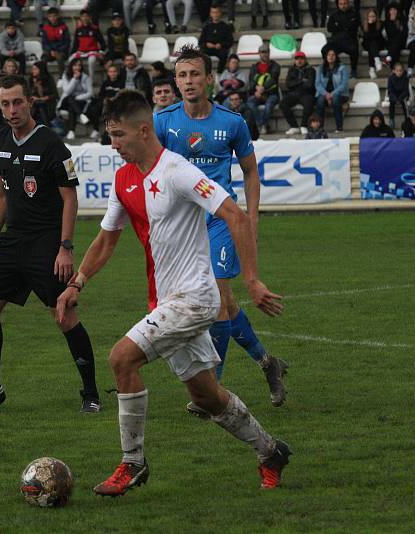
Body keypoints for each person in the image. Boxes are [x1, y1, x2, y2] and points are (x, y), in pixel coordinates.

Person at [57, 89, 290, 496]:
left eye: (118, 135)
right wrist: (77, 282)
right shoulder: (124, 178)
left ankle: (133, 464)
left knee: (120, 359)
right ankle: (271, 452)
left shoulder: (177, 171)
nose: (113, 145)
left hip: (196, 299)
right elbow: (107, 239)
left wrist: (251, 279)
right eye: (109, 135)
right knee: (207, 396)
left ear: (144, 131)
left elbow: (233, 214)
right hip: (166, 301)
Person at [0, 74, 102, 414]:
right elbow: (3, 195)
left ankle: (91, 393)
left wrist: (65, 247)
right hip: (13, 244)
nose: (11, 109)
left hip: (46, 246)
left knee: (64, 316)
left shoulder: (51, 144)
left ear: (30, 102)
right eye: (4, 103)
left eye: (17, 102)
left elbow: (70, 199)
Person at [154, 47, 288, 408]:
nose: (188, 82)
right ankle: (268, 363)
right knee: (226, 305)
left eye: (195, 74)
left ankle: (211, 391)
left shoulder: (232, 122)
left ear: (209, 78)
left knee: (216, 302)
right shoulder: (164, 122)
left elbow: (250, 172)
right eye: (182, 76)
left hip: (221, 219)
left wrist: (252, 219)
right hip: (183, 228)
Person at [246, 44, 280, 134]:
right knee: (250, 102)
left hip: (271, 94)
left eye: (266, 52)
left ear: (269, 53)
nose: (264, 54)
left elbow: (273, 79)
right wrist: (256, 89)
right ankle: (262, 124)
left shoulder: (275, 66)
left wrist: (263, 88)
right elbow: (251, 80)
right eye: (262, 52)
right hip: (258, 94)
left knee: (269, 105)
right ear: (259, 53)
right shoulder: (254, 67)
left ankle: (262, 125)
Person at [280, 51, 316, 136]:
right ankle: (294, 126)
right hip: (294, 94)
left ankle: (304, 125)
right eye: (297, 59)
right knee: (283, 103)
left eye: (301, 59)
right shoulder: (291, 69)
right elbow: (288, 84)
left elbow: (310, 84)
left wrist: (295, 83)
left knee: (309, 102)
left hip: (306, 93)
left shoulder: (311, 69)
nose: (299, 61)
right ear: (295, 60)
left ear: (305, 60)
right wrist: (301, 81)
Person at [315, 48, 350, 133]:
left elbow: (344, 85)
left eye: (333, 55)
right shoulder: (320, 68)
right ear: (326, 57)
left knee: (336, 99)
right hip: (324, 94)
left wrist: (332, 94)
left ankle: (339, 127)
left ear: (336, 57)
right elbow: (317, 84)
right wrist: (326, 94)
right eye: (329, 55)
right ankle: (320, 128)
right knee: (320, 101)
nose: (331, 57)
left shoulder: (342, 68)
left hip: (340, 94)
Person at [58, 58, 94, 140]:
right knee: (70, 99)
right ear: (71, 66)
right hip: (66, 101)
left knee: (72, 107)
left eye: (79, 65)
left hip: (79, 101)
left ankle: (71, 131)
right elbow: (67, 91)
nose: (77, 68)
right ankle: (81, 115)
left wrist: (77, 98)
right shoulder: (65, 75)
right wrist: (74, 79)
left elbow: (90, 93)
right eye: (75, 65)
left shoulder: (85, 77)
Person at [323, 0, 360, 77]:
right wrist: (345, 26)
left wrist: (338, 25)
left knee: (354, 49)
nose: (343, 6)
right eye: (341, 4)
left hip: (350, 40)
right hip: (336, 41)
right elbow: (329, 28)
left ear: (348, 3)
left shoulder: (354, 14)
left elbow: (355, 26)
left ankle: (353, 70)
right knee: (324, 50)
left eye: (345, 4)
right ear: (338, 4)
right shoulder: (333, 14)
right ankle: (330, 68)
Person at [70, 9, 105, 81]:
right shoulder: (78, 29)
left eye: (86, 16)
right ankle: (75, 79)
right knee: (70, 60)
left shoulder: (95, 28)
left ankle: (90, 80)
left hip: (92, 51)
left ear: (89, 17)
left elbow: (102, 42)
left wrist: (101, 52)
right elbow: (75, 43)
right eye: (83, 16)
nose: (85, 18)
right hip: (81, 52)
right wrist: (72, 53)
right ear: (80, 18)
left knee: (91, 61)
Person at [199, 4, 234, 74]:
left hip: (220, 48)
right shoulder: (206, 27)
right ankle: (206, 73)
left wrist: (221, 44)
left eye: (217, 12)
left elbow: (230, 41)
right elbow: (200, 42)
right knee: (201, 54)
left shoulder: (226, 27)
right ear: (210, 14)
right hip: (208, 48)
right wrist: (206, 44)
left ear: (220, 13)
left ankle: (219, 73)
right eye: (213, 12)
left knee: (224, 54)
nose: (215, 14)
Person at [40, 7, 70, 74]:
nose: (52, 18)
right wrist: (50, 51)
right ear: (48, 17)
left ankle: (61, 78)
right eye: (50, 16)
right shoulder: (45, 28)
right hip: (50, 51)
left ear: (58, 16)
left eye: (54, 16)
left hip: (61, 51)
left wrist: (58, 51)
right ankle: (43, 76)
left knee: (59, 58)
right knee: (43, 58)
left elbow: (67, 42)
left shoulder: (64, 27)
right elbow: (44, 42)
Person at [30, 60, 58, 126]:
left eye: (35, 69)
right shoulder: (31, 79)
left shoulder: (49, 79)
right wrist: (35, 86)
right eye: (32, 69)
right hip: (35, 105)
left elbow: (55, 95)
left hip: (49, 105)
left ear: (41, 69)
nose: (32, 71)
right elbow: (29, 94)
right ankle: (47, 128)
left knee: (40, 105)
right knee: (39, 105)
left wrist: (44, 98)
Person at [382, 3, 407, 69]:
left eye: (394, 10)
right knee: (395, 47)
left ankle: (388, 59)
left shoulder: (403, 20)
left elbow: (404, 34)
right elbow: (390, 35)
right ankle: (392, 65)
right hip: (391, 44)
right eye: (391, 10)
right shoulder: (387, 22)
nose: (393, 11)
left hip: (401, 42)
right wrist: (392, 23)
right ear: (389, 11)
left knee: (396, 42)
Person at [362, 8, 385, 79]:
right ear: (367, 17)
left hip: (379, 43)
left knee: (372, 45)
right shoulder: (363, 24)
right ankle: (377, 61)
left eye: (373, 16)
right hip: (367, 43)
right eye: (370, 16)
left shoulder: (381, 23)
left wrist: (372, 28)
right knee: (371, 44)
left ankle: (372, 69)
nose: (372, 18)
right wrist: (370, 25)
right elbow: (366, 37)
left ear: (376, 16)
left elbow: (378, 35)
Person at [386, 61, 410, 128]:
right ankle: (391, 119)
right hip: (394, 94)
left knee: (404, 102)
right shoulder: (390, 78)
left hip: (403, 94)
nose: (399, 72)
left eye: (400, 71)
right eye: (397, 71)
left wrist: (399, 99)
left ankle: (407, 119)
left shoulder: (406, 78)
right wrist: (396, 99)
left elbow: (406, 91)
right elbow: (390, 91)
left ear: (403, 71)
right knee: (391, 102)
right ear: (394, 71)